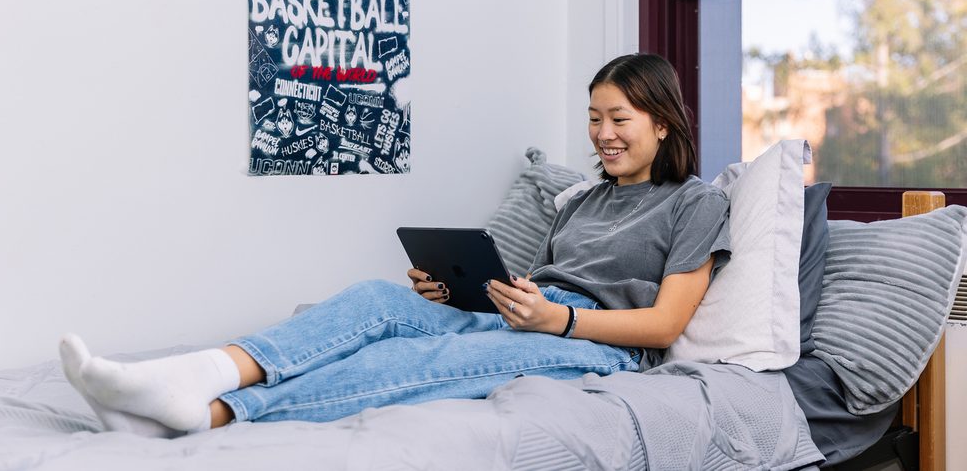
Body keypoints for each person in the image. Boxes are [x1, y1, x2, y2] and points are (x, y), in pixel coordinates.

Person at [59, 53, 731, 437]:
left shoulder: (695, 200)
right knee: (378, 300)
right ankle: (208, 368)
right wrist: (464, 289)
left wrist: (562, 318)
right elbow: (535, 283)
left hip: (601, 343)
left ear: (664, 124)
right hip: (534, 312)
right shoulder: (581, 198)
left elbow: (667, 322)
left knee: (425, 353)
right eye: (593, 118)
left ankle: (208, 411)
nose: (602, 133)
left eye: (619, 119)